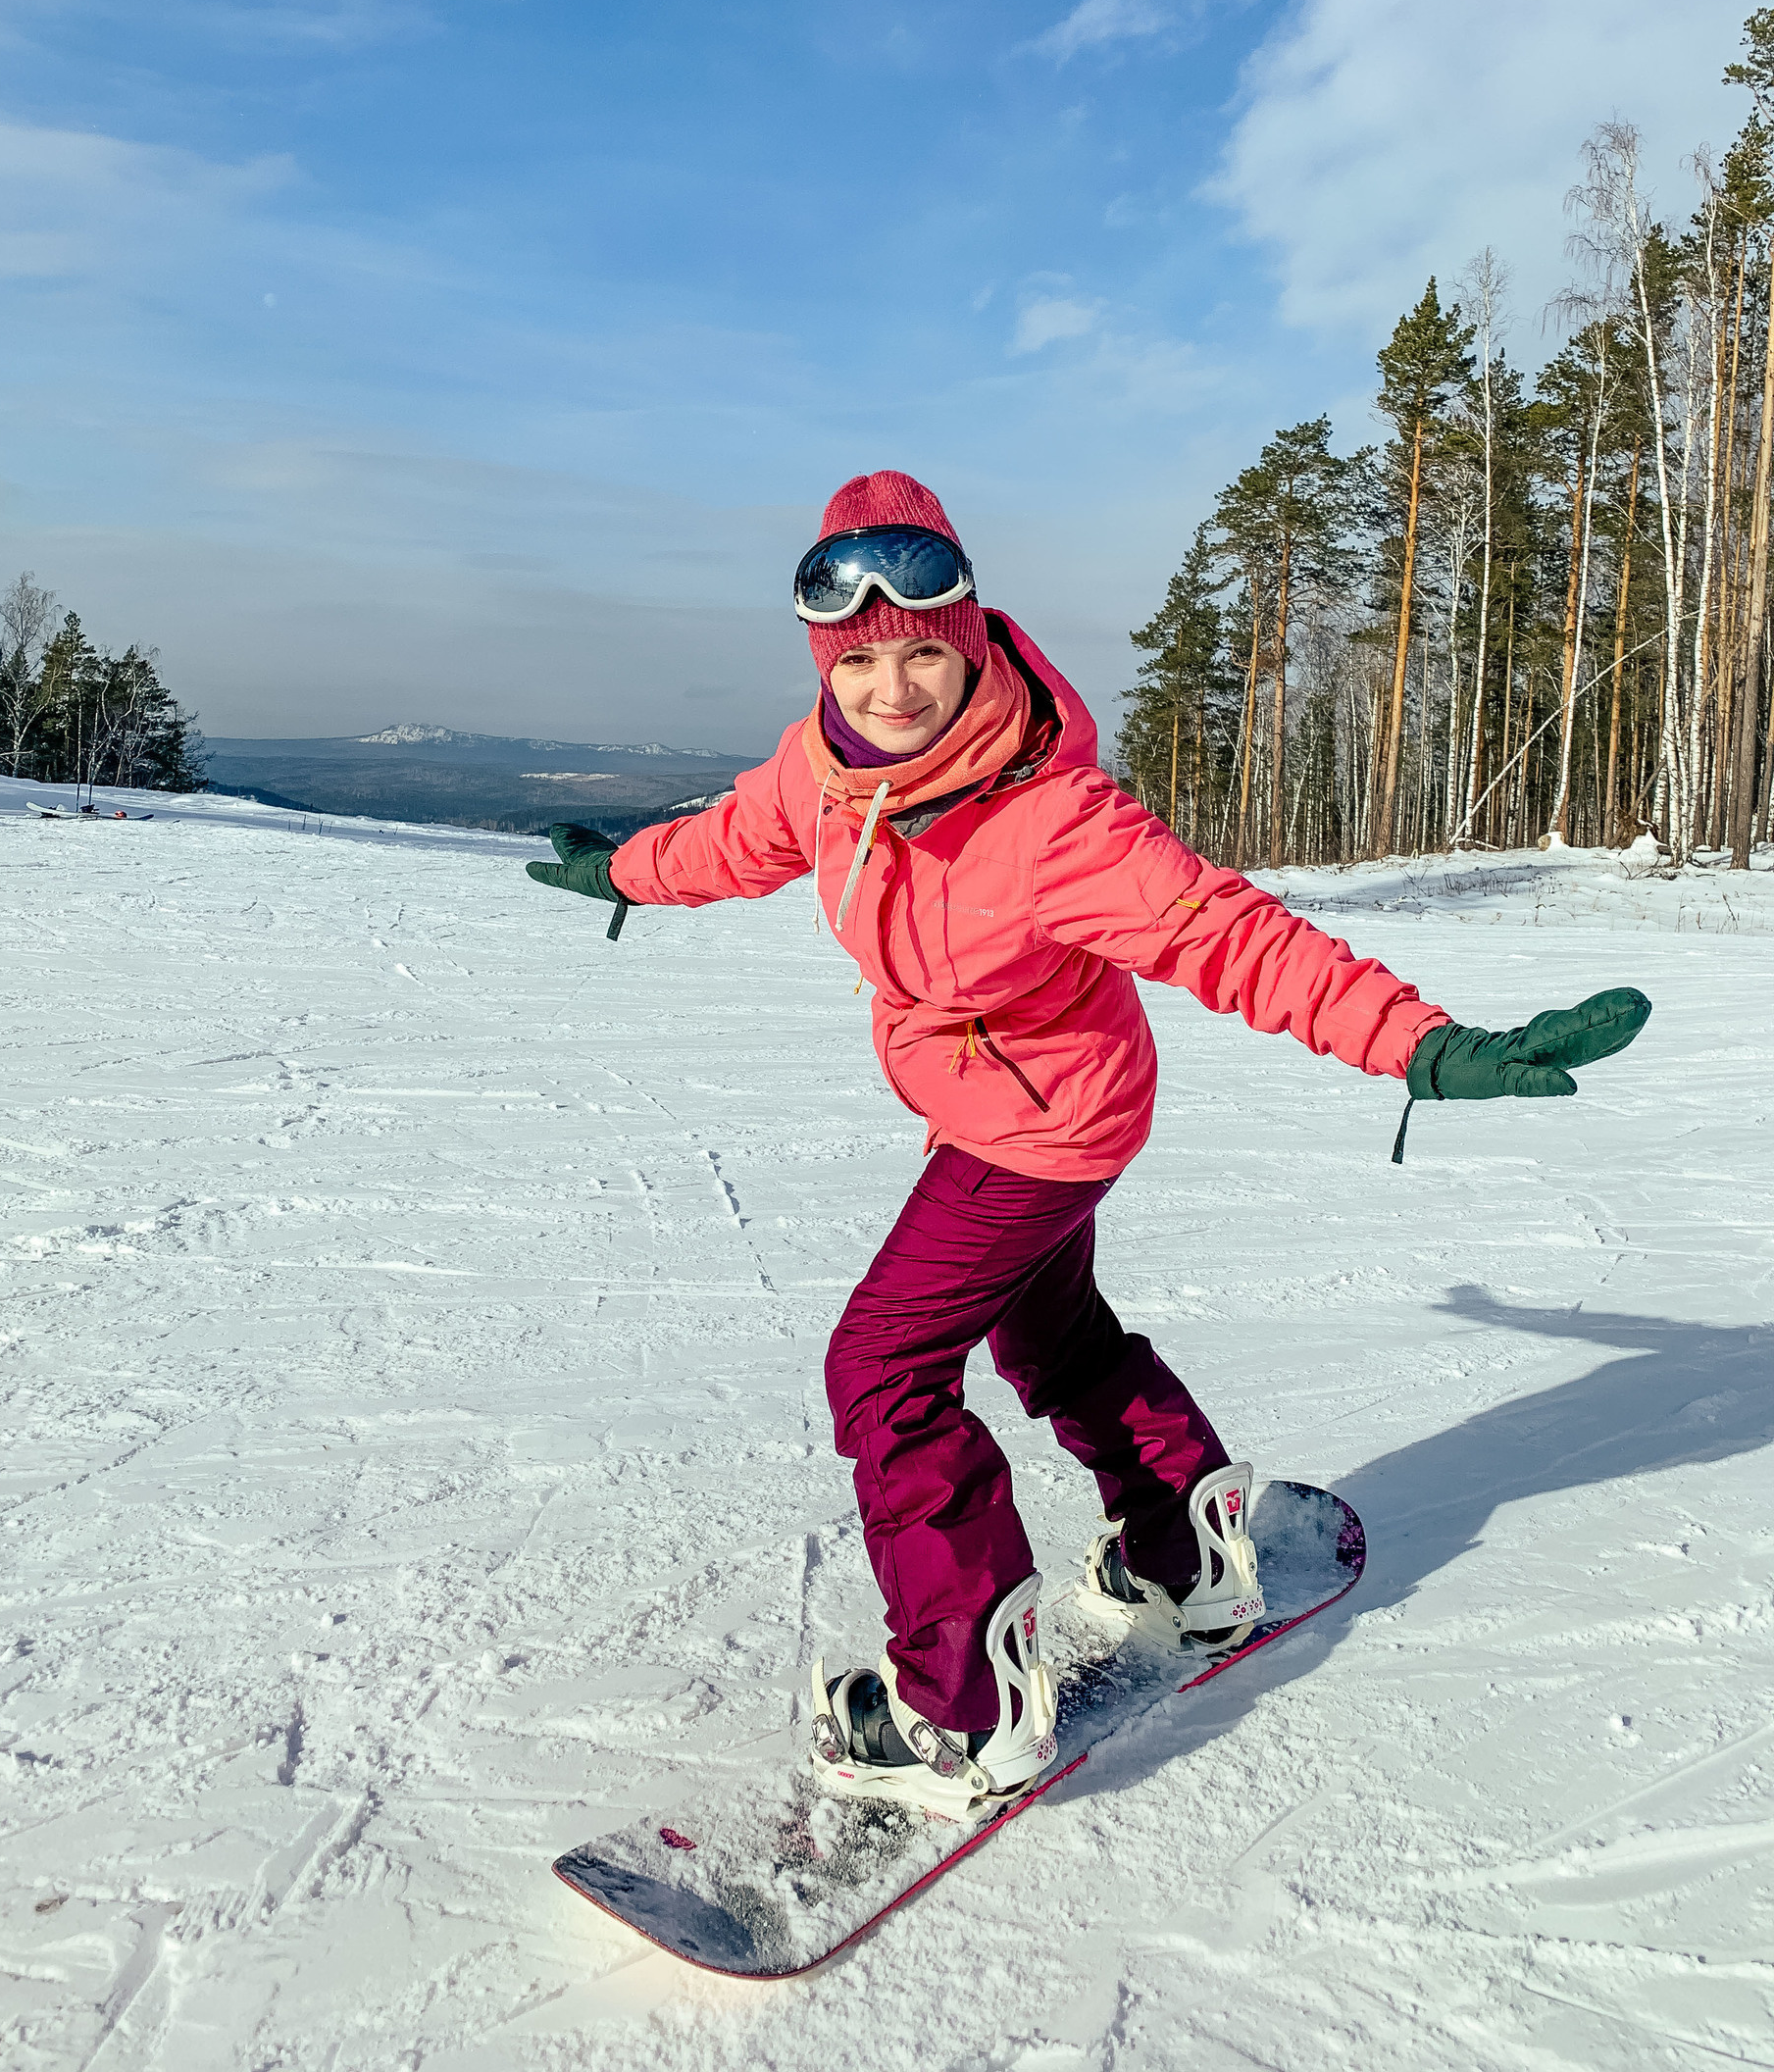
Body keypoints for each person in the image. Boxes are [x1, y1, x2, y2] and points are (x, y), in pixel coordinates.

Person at [526, 470, 1648, 1819]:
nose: (894, 687)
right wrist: (621, 872)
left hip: (1046, 1126)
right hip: (1003, 1106)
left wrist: (1423, 1045)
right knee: (1048, 1333)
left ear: (974, 636)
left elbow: (1235, 938)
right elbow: (727, 840)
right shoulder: (822, 770)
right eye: (864, 658)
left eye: (924, 653)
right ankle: (1188, 1555)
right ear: (829, 660)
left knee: (883, 1366)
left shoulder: (1054, 820)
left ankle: (966, 1707)